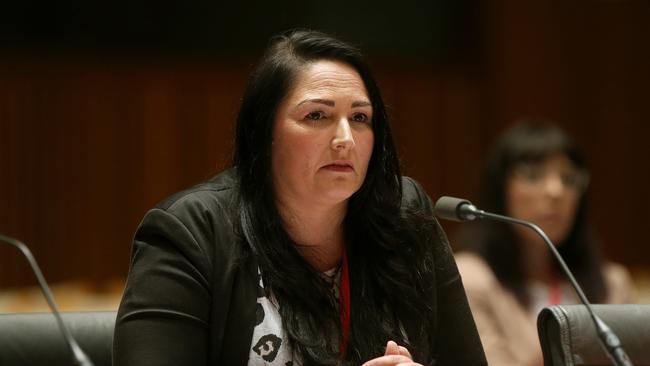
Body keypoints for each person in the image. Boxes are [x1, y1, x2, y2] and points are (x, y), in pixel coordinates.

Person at [112, 29, 486, 365]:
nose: (345, 139)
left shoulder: (403, 214)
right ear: (264, 132)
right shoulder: (192, 233)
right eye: (317, 116)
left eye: (360, 118)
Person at [454, 120, 635, 366]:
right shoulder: (470, 279)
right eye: (533, 175)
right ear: (499, 189)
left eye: (569, 178)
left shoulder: (613, 282)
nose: (555, 190)